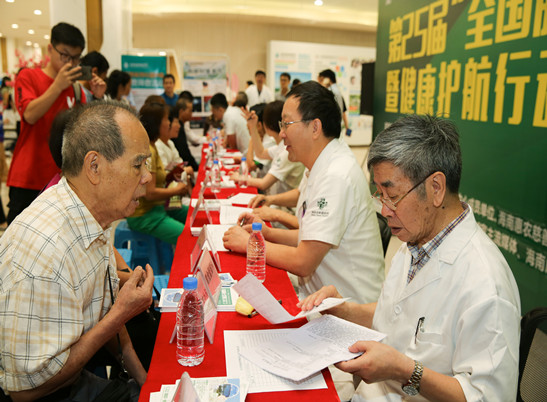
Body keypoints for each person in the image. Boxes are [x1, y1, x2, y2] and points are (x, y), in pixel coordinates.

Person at [298, 114, 521, 401]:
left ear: (436, 188)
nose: (385, 209)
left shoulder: (486, 284)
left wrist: (405, 370)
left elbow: (486, 396)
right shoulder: (416, 241)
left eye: (392, 195)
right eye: (379, 195)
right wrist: (344, 311)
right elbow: (401, 314)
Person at [0, 101, 155, 401]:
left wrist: (142, 378)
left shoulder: (93, 214)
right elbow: (26, 391)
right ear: (94, 167)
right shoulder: (46, 252)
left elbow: (102, 301)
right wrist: (121, 312)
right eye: (138, 164)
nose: (147, 175)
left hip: (73, 368)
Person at [223, 81, 384, 304]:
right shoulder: (320, 164)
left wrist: (251, 245)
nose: (281, 134)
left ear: (315, 128)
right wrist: (267, 235)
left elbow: (303, 260)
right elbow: (310, 238)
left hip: (347, 311)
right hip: (318, 297)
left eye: (286, 124)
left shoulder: (335, 175)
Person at [7, 22, 106, 224]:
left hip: (63, 180)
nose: (70, 62)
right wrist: (57, 86)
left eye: (76, 58)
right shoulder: (28, 76)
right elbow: (29, 115)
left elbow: (86, 129)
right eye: (65, 55)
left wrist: (97, 98)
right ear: (50, 49)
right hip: (29, 178)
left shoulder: (76, 89)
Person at [127, 101, 190, 245]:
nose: (169, 124)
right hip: (145, 214)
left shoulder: (153, 146)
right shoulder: (147, 150)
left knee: (194, 214)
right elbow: (150, 193)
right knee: (187, 238)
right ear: (157, 123)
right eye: (167, 119)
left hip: (159, 206)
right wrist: (176, 190)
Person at [230, 100, 304, 197]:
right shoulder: (281, 145)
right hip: (274, 200)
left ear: (267, 124)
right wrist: (253, 127)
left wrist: (240, 178)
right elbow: (260, 153)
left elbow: (263, 183)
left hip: (282, 206)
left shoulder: (286, 150)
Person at [318, 69, 349, 133]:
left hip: (329, 127)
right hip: (335, 126)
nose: (319, 83)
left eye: (321, 80)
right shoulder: (337, 91)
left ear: (327, 79)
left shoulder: (330, 91)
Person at [172, 99, 199, 171]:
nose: (191, 113)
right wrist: (195, 167)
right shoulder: (178, 128)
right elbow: (184, 153)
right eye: (190, 110)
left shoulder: (182, 125)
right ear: (181, 111)